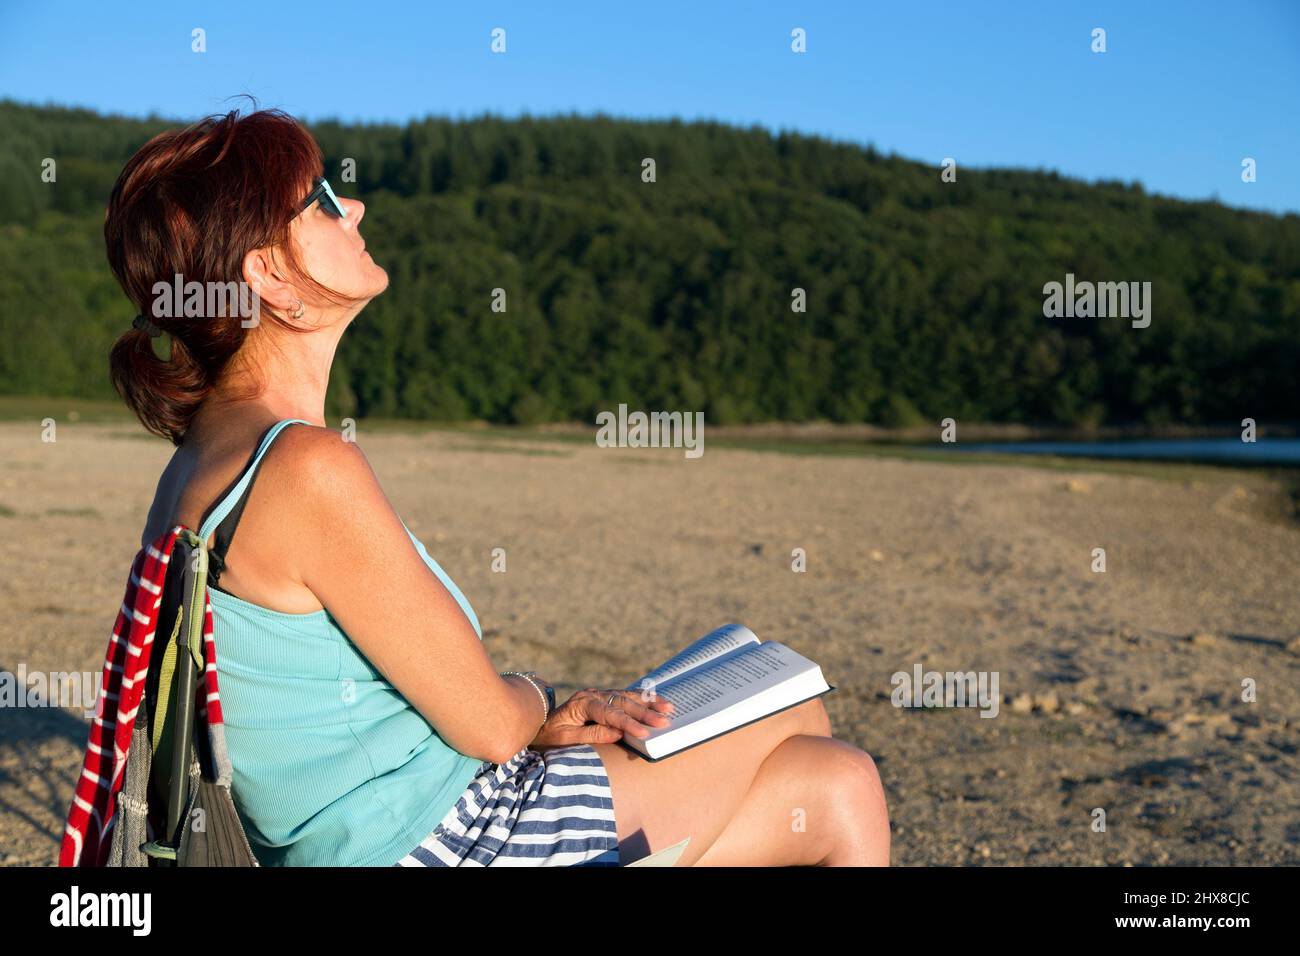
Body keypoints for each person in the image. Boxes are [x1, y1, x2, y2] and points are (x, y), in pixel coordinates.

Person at [106, 105, 890, 866]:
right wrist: (544, 702)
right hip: (445, 841)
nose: (355, 206)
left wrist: (532, 718)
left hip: (396, 823)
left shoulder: (200, 463)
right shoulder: (305, 468)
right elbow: (487, 725)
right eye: (319, 202)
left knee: (838, 787)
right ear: (271, 276)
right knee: (790, 702)